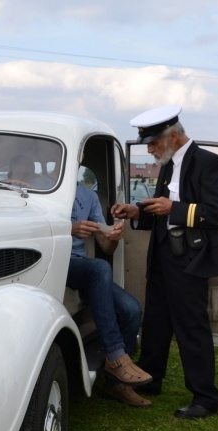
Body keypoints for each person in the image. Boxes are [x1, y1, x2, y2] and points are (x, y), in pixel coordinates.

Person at [112, 105, 218, 419]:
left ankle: (205, 397)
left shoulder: (210, 163)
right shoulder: (167, 165)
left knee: (191, 326)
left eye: (154, 143)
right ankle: (151, 379)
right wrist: (138, 211)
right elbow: (164, 209)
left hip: (190, 256)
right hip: (164, 252)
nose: (151, 150)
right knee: (156, 320)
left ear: (173, 136)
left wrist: (176, 208)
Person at [67, 167, 153, 406]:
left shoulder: (88, 196)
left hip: (79, 265)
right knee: (100, 269)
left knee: (132, 309)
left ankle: (117, 385)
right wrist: (69, 229)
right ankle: (116, 357)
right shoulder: (41, 192)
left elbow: (106, 248)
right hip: (50, 261)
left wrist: (113, 237)